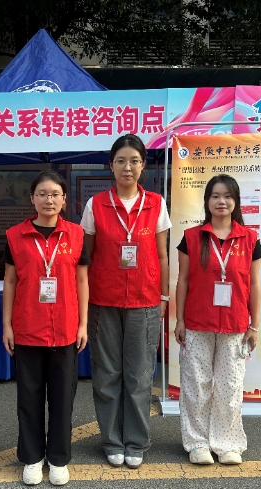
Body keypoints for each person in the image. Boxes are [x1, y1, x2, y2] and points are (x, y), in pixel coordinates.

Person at [80, 134, 171, 468]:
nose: (127, 167)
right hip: (103, 300)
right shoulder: (96, 205)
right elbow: (86, 257)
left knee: (139, 376)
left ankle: (136, 441)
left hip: (145, 301)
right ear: (111, 166)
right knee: (107, 374)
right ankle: (111, 440)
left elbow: (162, 255)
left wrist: (164, 296)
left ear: (143, 165)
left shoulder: (156, 203)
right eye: (121, 161)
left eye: (134, 161)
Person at [2, 170, 89, 486]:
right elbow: (10, 281)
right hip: (28, 327)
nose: (48, 199)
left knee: (63, 399)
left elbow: (82, 280)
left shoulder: (76, 235)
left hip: (65, 328)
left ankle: (58, 458)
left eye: (54, 194)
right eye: (42, 194)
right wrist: (7, 325)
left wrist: (83, 324)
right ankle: (32, 457)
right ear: (32, 198)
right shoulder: (15, 235)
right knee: (29, 398)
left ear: (64, 199)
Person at [174, 174, 261, 466]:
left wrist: (254, 325)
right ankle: (197, 442)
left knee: (229, 387)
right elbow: (183, 280)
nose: (221, 201)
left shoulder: (250, 239)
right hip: (197, 322)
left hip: (235, 324)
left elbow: (254, 284)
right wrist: (180, 320)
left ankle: (227, 443)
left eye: (227, 196)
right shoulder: (191, 238)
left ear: (235, 201)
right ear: (207, 201)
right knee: (196, 385)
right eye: (215, 196)